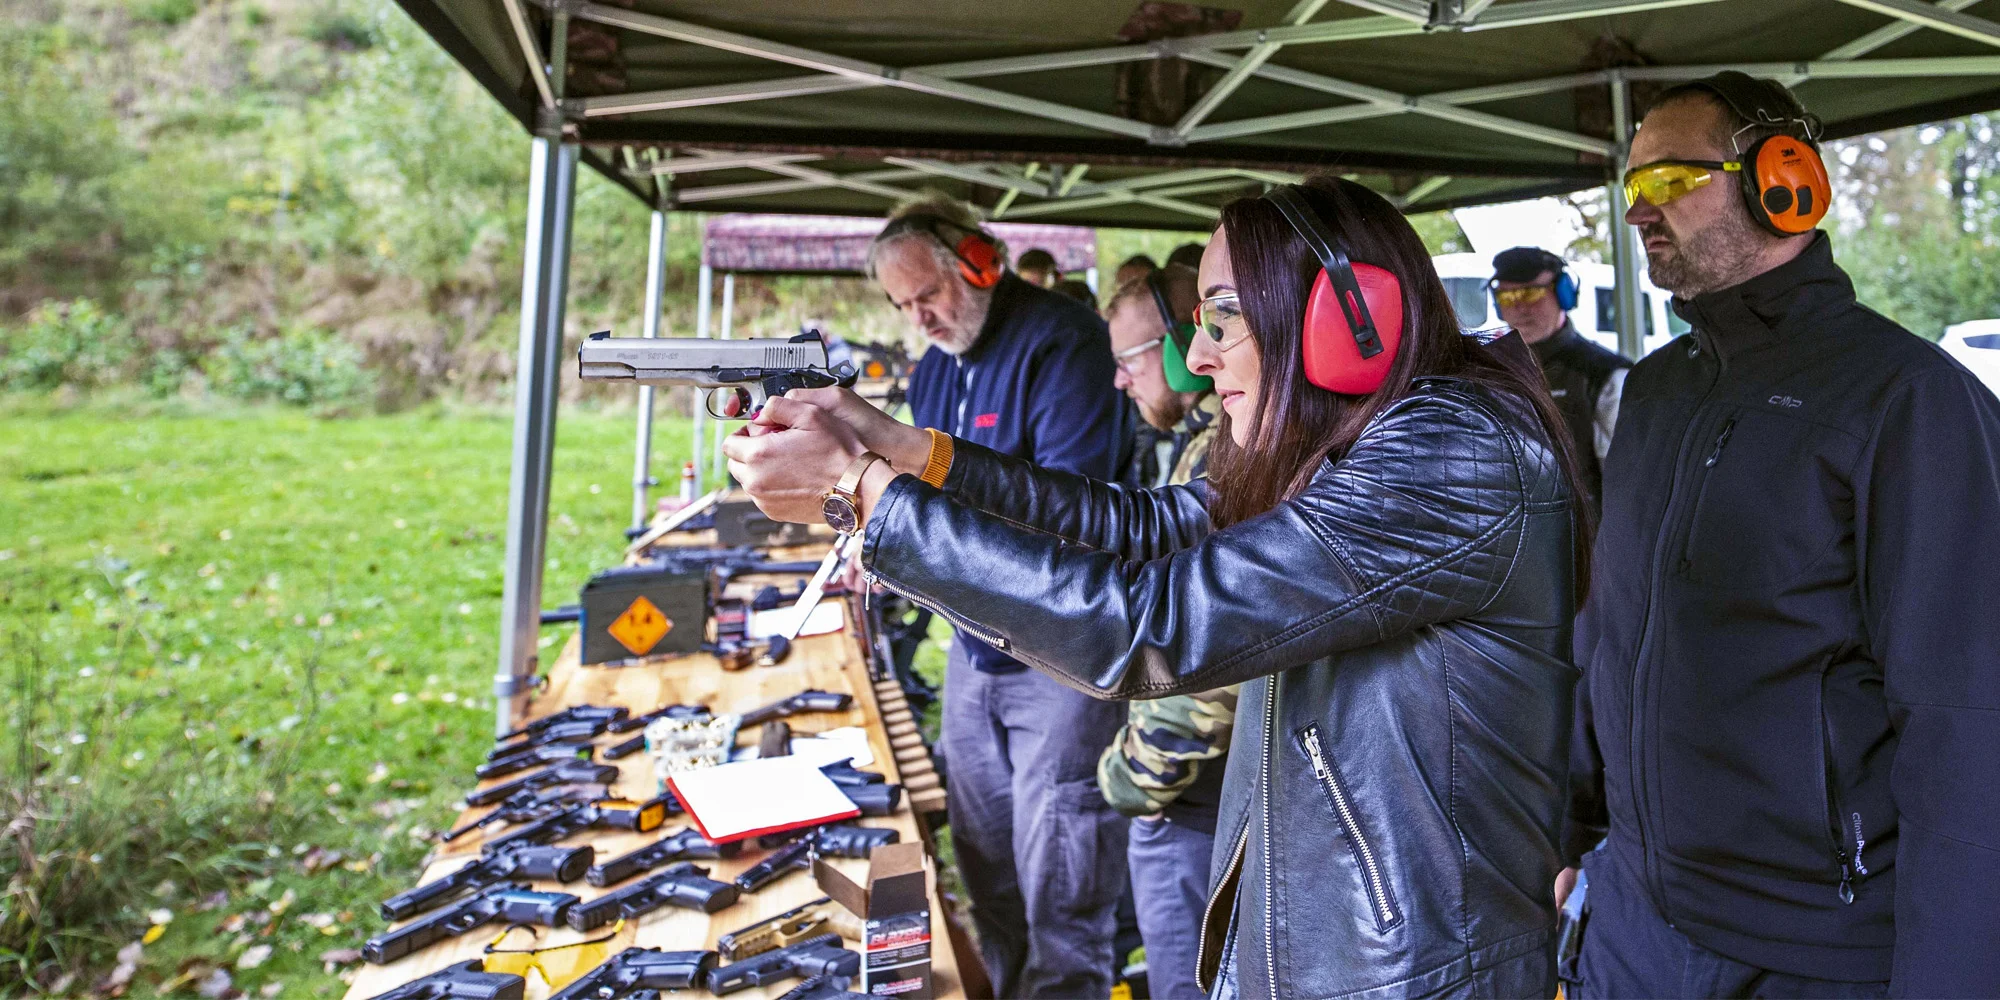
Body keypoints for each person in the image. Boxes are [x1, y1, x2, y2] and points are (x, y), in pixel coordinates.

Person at [726, 176, 1593, 998]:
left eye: (1223, 319)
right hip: (1336, 947)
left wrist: (866, 497)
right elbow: (1138, 526)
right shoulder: (1343, 448)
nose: (1201, 356)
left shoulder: (1448, 457)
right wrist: (905, 453)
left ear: (1345, 319)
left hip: (1403, 971)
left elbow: (1152, 623)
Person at [1562, 71, 2000, 999]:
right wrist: (1565, 838)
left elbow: (1965, 722)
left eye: (1670, 183)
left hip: (1814, 947)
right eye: (1632, 189)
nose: (1640, 212)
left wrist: (1951, 975)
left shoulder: (1907, 401)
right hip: (1635, 918)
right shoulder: (1652, 394)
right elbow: (1609, 635)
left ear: (1783, 176)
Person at [859, 194, 1132, 998]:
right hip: (974, 648)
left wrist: (926, 533)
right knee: (983, 861)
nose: (923, 318)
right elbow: (919, 502)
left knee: (1065, 879)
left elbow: (1066, 512)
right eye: (905, 306)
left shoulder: (1064, 342)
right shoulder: (935, 368)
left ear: (979, 261)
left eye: (931, 295)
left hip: (1060, 652)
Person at [1097, 263, 1228, 999]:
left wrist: (1136, 774)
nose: (1121, 382)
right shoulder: (1203, 440)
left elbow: (1215, 651)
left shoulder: (1225, 452)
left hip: (1192, 803)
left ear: (1182, 346)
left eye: (1130, 359)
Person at [1490, 246, 1630, 513]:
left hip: (1587, 542)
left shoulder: (1603, 376)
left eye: (1531, 293)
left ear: (1563, 294)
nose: (1519, 306)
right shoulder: (1489, 371)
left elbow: (1626, 485)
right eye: (1507, 296)